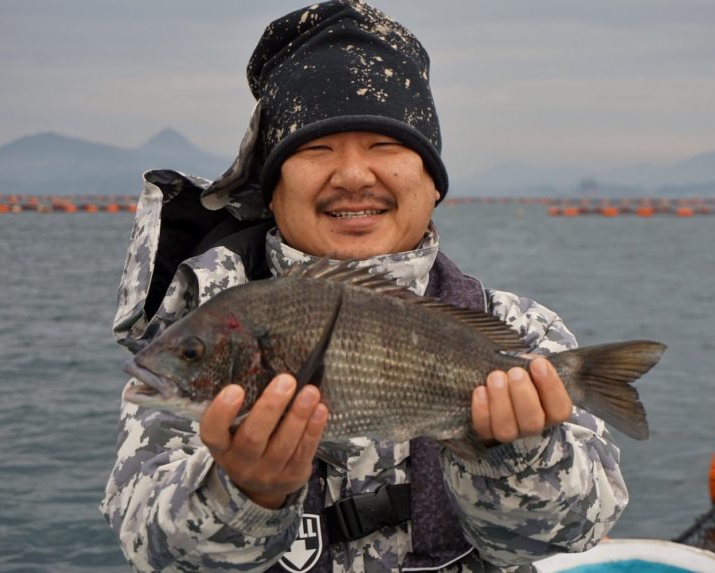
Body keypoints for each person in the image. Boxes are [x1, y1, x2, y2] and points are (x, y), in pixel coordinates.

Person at [101, 1, 628, 571]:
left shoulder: (521, 331)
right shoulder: (202, 323)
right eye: (313, 149)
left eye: (386, 146)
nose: (353, 175)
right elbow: (153, 546)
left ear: (433, 183)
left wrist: (518, 453)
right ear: (271, 190)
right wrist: (244, 493)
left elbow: (570, 536)